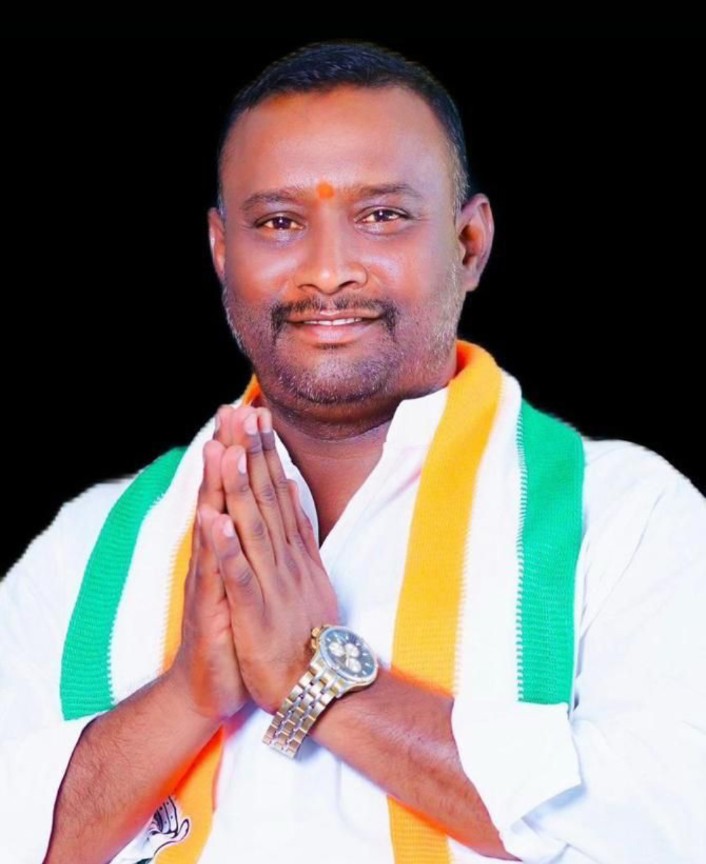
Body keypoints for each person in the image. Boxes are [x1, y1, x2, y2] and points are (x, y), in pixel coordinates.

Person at [1, 40, 704, 864]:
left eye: (382, 217)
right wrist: (188, 694)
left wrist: (322, 683)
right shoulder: (89, 545)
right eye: (279, 223)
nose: (328, 272)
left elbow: (672, 825)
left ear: (469, 244)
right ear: (223, 251)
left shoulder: (626, 518)